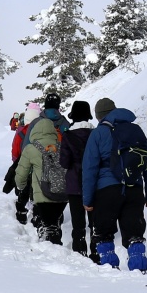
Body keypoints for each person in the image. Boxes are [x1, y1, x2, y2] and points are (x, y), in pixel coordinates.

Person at [81, 97, 147, 271]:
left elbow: (89, 169)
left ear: (99, 116)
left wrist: (88, 199)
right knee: (134, 233)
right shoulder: (135, 130)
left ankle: (110, 270)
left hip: (107, 191)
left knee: (104, 233)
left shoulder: (98, 133)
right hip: (134, 188)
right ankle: (139, 268)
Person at [14, 94, 69, 244]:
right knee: (55, 215)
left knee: (42, 211)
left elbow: (25, 150)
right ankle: (54, 233)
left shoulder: (35, 127)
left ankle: (45, 235)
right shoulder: (64, 124)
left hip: (39, 181)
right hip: (60, 185)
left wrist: (22, 184)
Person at [59, 100, 97, 260]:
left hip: (74, 184)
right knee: (95, 223)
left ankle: (80, 253)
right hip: (94, 183)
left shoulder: (67, 136)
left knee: (78, 223)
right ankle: (97, 252)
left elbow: (64, 162)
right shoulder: (96, 134)